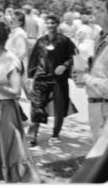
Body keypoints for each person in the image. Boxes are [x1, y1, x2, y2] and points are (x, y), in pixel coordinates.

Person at [0, 22, 40, 183]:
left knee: (7, 148)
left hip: (4, 110)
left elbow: (16, 92)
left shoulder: (11, 60)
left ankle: (12, 178)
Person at [27, 15, 77, 147]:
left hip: (58, 79)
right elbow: (34, 59)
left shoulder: (64, 40)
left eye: (53, 23)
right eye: (48, 23)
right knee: (37, 105)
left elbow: (74, 56)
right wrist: (30, 76)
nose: (50, 25)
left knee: (60, 106)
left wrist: (64, 66)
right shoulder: (40, 41)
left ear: (57, 24)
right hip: (42, 77)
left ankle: (56, 133)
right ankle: (32, 135)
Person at [73, 0, 108, 144]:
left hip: (107, 111)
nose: (97, 13)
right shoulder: (102, 38)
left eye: (102, 10)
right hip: (97, 108)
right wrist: (83, 72)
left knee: (105, 161)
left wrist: (86, 78)